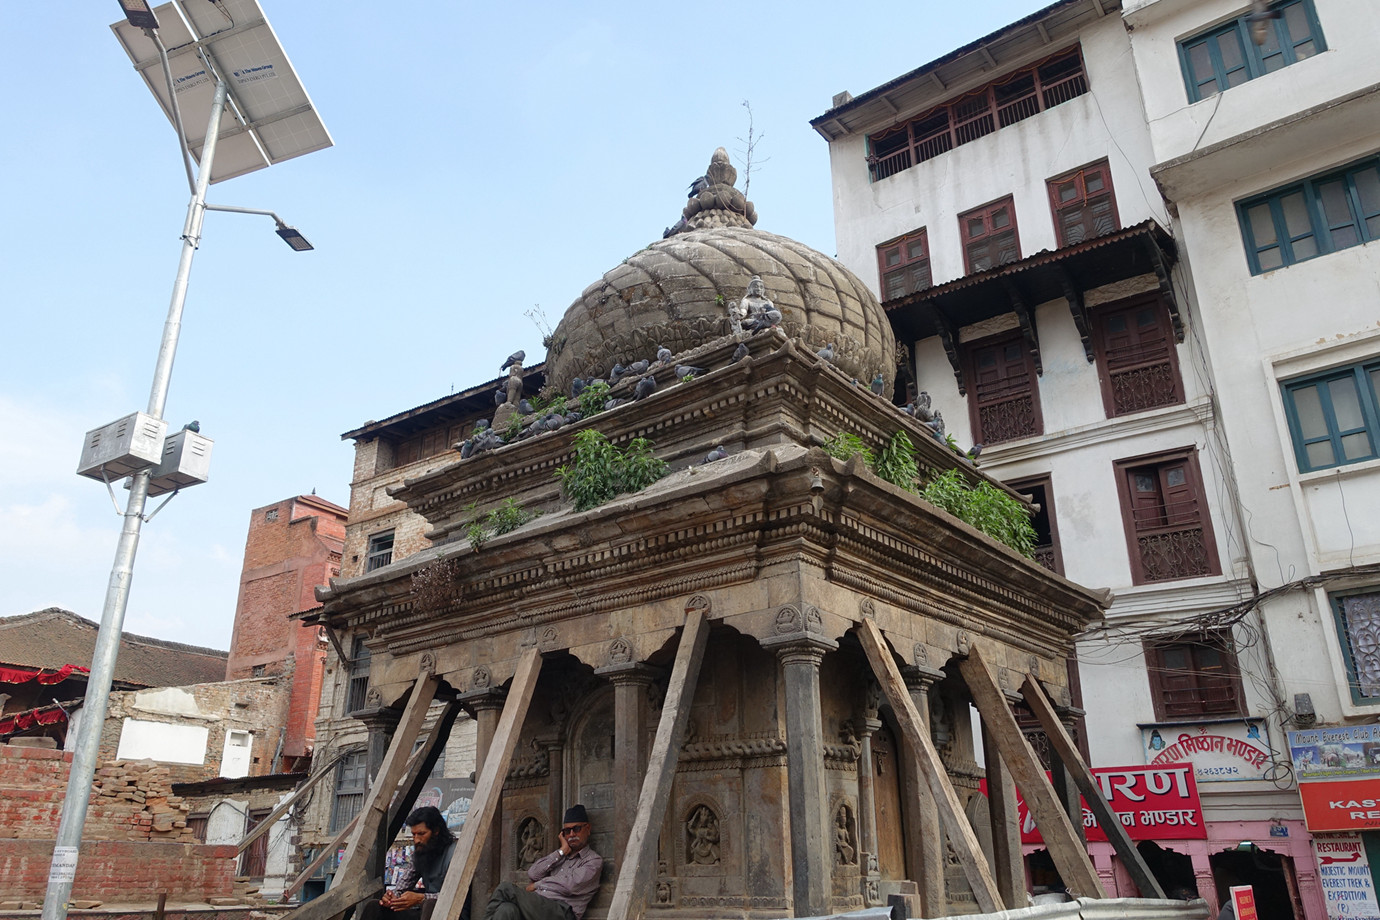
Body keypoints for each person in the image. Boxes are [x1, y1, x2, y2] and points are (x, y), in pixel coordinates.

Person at [482, 804, 603, 920]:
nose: (572, 834)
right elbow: (533, 873)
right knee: (507, 909)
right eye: (567, 831)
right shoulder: (559, 858)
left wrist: (537, 885)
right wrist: (561, 851)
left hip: (562, 912)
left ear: (587, 829)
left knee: (505, 888)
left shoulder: (593, 861)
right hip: (539, 906)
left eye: (576, 829)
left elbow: (569, 886)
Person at [381, 806, 461, 919]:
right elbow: (402, 886)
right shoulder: (421, 853)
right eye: (414, 835)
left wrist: (420, 898)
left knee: (430, 905)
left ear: (436, 831)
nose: (417, 840)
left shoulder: (455, 854)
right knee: (375, 907)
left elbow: (455, 896)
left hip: (453, 914)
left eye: (421, 834)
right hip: (425, 913)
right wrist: (392, 897)